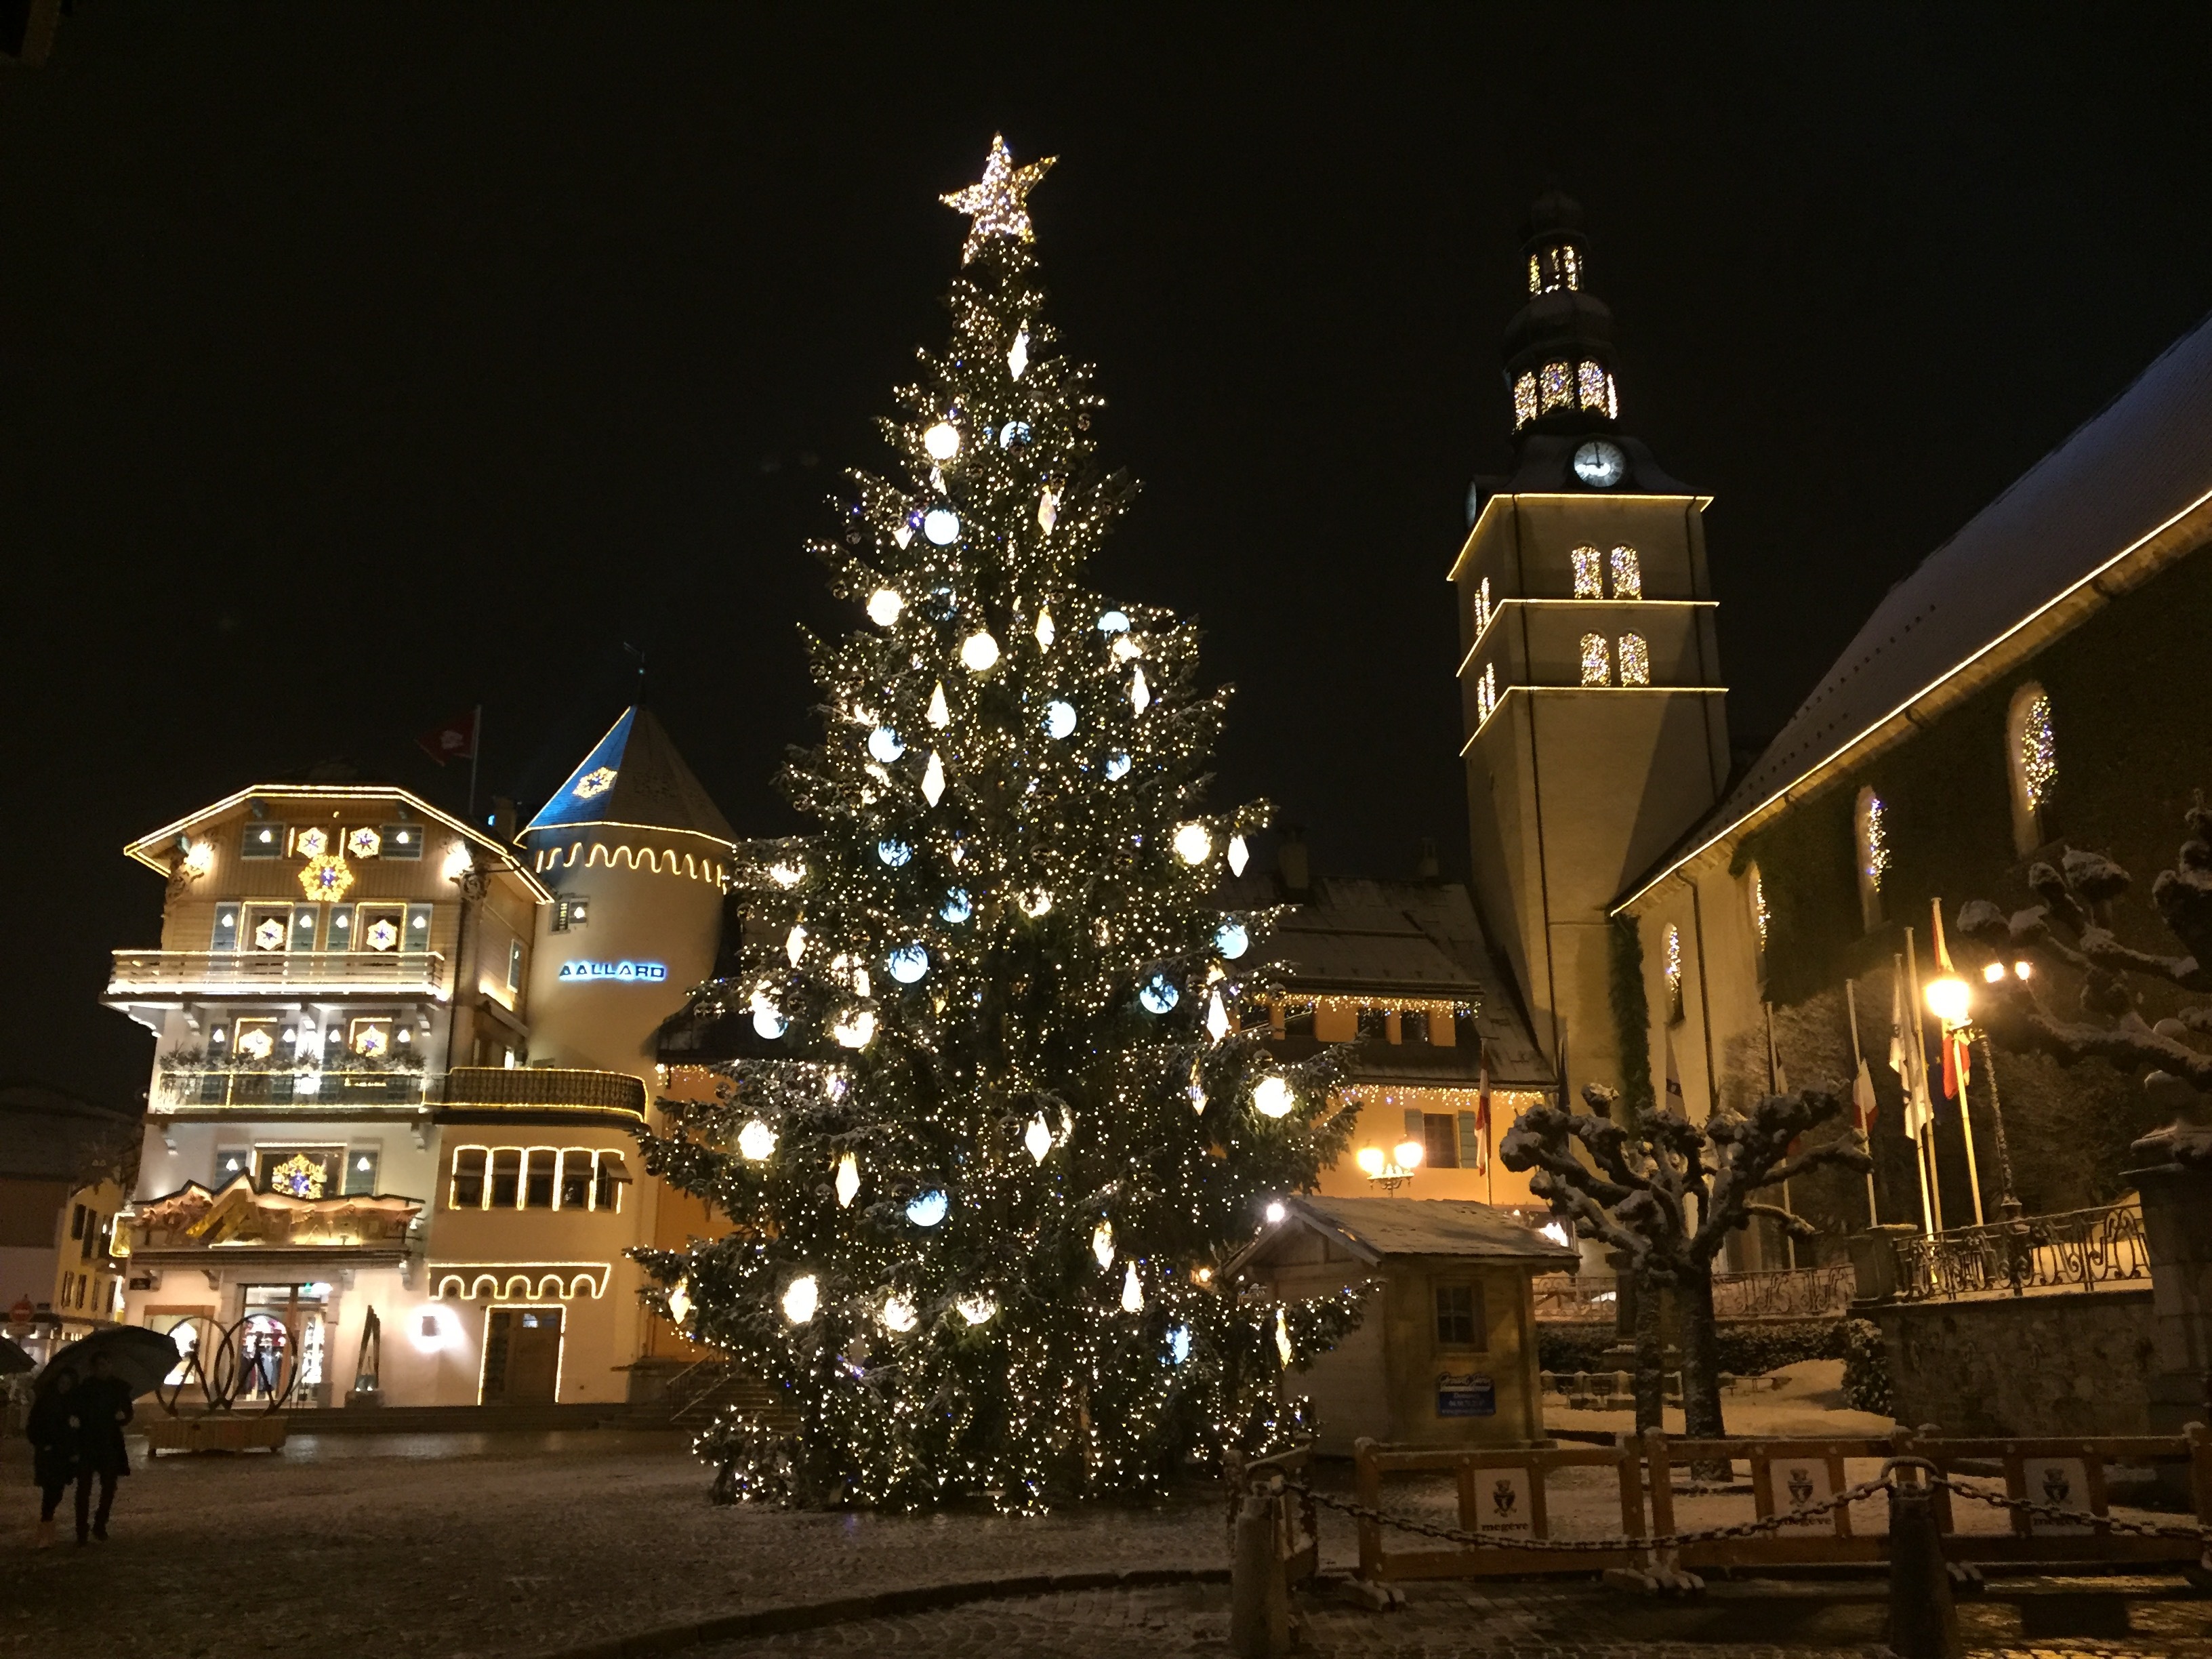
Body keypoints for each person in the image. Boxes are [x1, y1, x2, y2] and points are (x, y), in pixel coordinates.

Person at [69, 1352, 133, 1544]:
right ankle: (81, 1529)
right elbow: (76, 1410)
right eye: (99, 1366)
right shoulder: (85, 1388)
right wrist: (76, 1420)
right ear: (94, 1368)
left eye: (105, 1365)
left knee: (109, 1488)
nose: (102, 1369)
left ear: (110, 1365)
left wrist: (124, 1417)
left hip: (109, 1443)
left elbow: (128, 1413)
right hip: (88, 1443)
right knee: (84, 1489)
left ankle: (100, 1524)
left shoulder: (119, 1388)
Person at [26, 1364, 79, 1549]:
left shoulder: (72, 1403)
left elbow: (74, 1431)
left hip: (63, 1455)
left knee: (57, 1492)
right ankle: (45, 1531)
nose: (64, 1385)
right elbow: (33, 1427)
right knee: (50, 1491)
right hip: (49, 1454)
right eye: (62, 1382)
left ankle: (47, 1527)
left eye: (68, 1383)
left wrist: (75, 1426)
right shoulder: (47, 1401)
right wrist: (43, 1444)